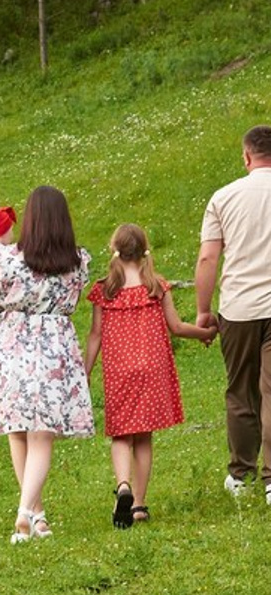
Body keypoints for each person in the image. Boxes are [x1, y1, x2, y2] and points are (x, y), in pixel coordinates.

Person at [0, 185, 94, 542]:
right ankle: (32, 513)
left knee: (19, 428)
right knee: (42, 433)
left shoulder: (5, 259)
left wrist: (7, 310)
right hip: (56, 344)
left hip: (11, 342)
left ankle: (28, 512)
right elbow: (74, 298)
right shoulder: (79, 260)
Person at [84, 223, 217, 527]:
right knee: (143, 436)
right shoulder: (157, 285)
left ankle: (123, 486)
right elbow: (178, 327)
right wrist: (206, 332)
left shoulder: (105, 290)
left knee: (121, 433)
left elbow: (95, 335)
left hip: (119, 369)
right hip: (152, 367)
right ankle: (140, 506)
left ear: (114, 250)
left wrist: (86, 371)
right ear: (145, 250)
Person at [194, 124, 271, 502]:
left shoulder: (223, 197)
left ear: (246, 156)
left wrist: (203, 310)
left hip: (239, 307)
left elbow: (209, 257)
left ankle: (242, 475)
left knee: (241, 392)